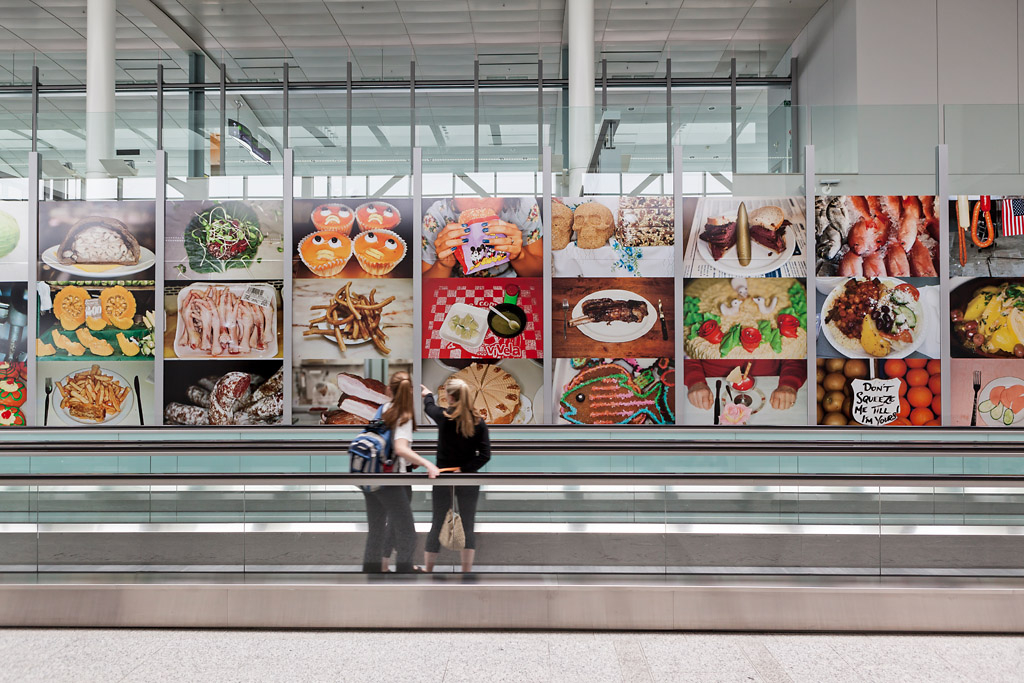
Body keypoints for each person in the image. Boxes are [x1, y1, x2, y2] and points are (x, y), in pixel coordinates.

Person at [361, 371, 439, 573]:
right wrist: (427, 464)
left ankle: (373, 573)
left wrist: (410, 460)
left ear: (389, 390)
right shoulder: (402, 414)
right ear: (410, 391)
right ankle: (405, 573)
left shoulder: (382, 409)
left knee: (377, 530)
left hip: (371, 476)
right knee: (406, 532)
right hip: (393, 480)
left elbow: (386, 443)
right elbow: (400, 448)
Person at [421, 379, 491, 572]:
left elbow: (429, 407)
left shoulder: (444, 417)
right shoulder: (478, 422)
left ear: (450, 397)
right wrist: (464, 469)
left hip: (443, 477)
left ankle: (428, 569)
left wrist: (427, 394)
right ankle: (466, 571)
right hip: (468, 479)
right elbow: (485, 455)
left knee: (437, 523)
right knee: (468, 524)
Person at [422, 197, 544, 278]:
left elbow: (539, 273)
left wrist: (519, 256)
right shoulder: (437, 215)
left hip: (510, 286)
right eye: (465, 189)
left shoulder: (522, 205)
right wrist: (443, 265)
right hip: (456, 286)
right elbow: (424, 284)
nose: (479, 200)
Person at [685, 359, 807, 410]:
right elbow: (684, 351)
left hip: (773, 388)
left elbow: (798, 358)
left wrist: (789, 383)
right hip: (711, 387)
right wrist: (695, 381)